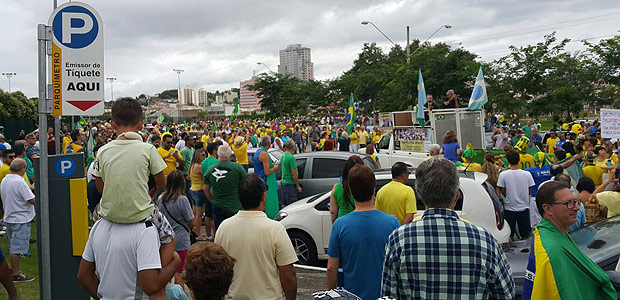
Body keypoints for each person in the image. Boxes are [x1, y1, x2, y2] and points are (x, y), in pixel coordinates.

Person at [382, 157, 514, 299]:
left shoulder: (398, 240)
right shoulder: (485, 241)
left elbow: (388, 295)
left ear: (420, 195)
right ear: (456, 196)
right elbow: (506, 294)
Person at [89, 97, 176, 299]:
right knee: (170, 237)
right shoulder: (148, 149)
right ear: (140, 125)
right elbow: (162, 182)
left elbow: (100, 187)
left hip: (108, 215)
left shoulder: (102, 150)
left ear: (112, 124)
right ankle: (155, 272)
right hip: (142, 214)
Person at [522, 181, 616, 299]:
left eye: (575, 202)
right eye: (568, 203)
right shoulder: (553, 250)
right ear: (548, 209)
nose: (577, 208)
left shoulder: (553, 233)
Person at [215, 174, 297, 300]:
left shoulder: (224, 228)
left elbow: (218, 270)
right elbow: (288, 274)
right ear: (264, 197)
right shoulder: (275, 229)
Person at [327, 165, 400, 299]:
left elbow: (332, 268)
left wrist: (332, 294)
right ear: (374, 189)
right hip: (384, 296)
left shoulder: (340, 225)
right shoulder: (392, 223)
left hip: (352, 295)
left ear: (350, 190)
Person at [158, 170, 194, 290]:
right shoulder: (182, 199)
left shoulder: (161, 198)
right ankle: (179, 296)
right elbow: (191, 221)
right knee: (179, 273)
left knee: (166, 272)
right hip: (182, 240)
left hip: (166, 240)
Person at [0, 159, 35, 282]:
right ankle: (15, 273)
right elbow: (30, 199)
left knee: (14, 246)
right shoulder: (19, 182)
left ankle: (14, 270)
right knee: (17, 248)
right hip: (21, 217)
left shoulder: (5, 179)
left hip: (10, 216)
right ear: (23, 168)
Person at [204, 145, 248, 229]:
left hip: (218, 205)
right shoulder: (238, 168)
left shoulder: (210, 169)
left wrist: (212, 200)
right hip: (235, 206)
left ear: (218, 154)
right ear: (230, 154)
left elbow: (205, 189)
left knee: (220, 232)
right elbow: (247, 184)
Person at [498, 149, 535, 239]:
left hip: (509, 208)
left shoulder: (503, 175)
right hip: (524, 207)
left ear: (508, 160)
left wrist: (507, 196)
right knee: (525, 235)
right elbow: (529, 189)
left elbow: (501, 188)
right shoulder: (527, 174)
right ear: (519, 159)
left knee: (509, 235)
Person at [329, 156, 364, 223]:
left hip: (342, 223)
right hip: (360, 222)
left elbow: (333, 212)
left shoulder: (337, 187)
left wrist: (335, 224)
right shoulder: (364, 186)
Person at [254, 136, 280, 219]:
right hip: (267, 181)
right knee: (270, 202)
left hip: (260, 179)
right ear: (269, 144)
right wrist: (275, 168)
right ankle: (272, 217)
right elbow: (267, 171)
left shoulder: (258, 151)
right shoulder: (264, 154)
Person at [188, 149, 212, 240]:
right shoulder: (199, 166)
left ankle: (194, 232)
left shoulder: (192, 165)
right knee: (199, 214)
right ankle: (197, 234)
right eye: (202, 155)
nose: (204, 157)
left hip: (192, 189)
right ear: (198, 156)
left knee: (195, 213)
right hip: (199, 191)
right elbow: (206, 176)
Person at [280, 140, 302, 206]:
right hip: (290, 184)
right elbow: (294, 174)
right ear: (292, 147)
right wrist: (298, 186)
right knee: (292, 205)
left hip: (284, 182)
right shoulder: (291, 158)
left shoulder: (283, 156)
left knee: (284, 203)